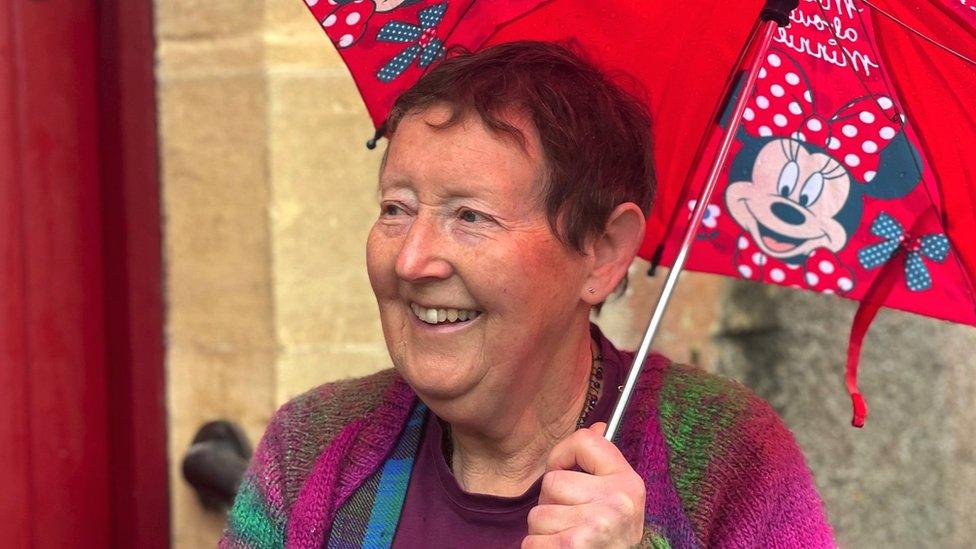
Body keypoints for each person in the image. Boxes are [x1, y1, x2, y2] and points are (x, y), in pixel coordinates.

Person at [220, 41, 834, 548]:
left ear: (602, 251)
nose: (412, 260)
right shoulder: (313, 447)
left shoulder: (731, 460)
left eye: (470, 216)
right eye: (395, 208)